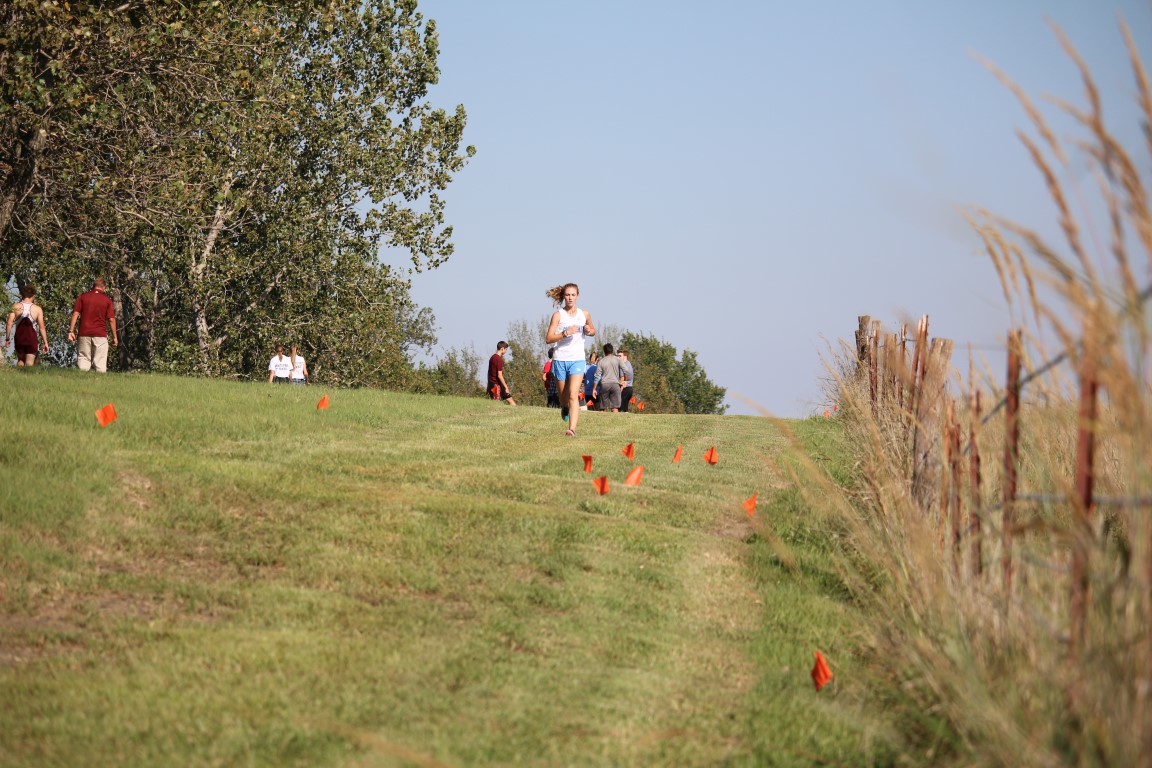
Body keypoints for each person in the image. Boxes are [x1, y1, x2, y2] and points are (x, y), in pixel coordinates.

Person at [544, 282, 595, 436]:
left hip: (577, 359)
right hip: (560, 359)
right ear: (564, 296)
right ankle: (565, 407)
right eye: (567, 295)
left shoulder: (584, 314)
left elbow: (593, 331)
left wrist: (588, 330)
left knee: (574, 395)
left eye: (573, 295)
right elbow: (548, 338)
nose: (570, 298)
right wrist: (565, 333)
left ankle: (571, 429)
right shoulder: (558, 315)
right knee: (564, 398)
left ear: (577, 296)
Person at [67, 277, 118, 372]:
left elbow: (75, 314)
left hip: (84, 333)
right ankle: (100, 380)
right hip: (100, 334)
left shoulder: (83, 296)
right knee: (100, 362)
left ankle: (82, 378)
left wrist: (71, 331)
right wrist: (115, 337)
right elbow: (111, 319)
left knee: (83, 358)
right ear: (104, 287)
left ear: (93, 286)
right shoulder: (107, 300)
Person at [5, 285, 50, 367]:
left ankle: (18, 375)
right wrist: (45, 343)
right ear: (33, 295)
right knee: (29, 363)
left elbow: (9, 323)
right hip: (31, 339)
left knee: (20, 360)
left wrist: (7, 338)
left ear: (23, 294)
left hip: (19, 337)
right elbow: (42, 328)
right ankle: (27, 374)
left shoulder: (15, 307)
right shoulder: (37, 309)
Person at [593, 343, 624, 413]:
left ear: (604, 352)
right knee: (615, 407)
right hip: (615, 384)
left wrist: (594, 389)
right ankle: (615, 419)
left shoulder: (601, 361)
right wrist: (624, 381)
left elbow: (597, 376)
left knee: (602, 407)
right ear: (612, 351)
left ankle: (602, 418)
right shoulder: (617, 360)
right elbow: (626, 370)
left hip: (605, 384)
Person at [487, 340, 516, 405]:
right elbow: (499, 375)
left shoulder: (492, 358)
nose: (506, 351)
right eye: (506, 349)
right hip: (496, 385)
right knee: (496, 404)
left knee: (510, 400)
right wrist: (506, 387)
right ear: (502, 348)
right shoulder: (499, 359)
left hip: (492, 384)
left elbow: (489, 372)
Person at [619, 348, 635, 412]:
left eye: (620, 356)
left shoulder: (623, 365)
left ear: (625, 356)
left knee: (620, 409)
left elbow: (622, 378)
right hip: (630, 388)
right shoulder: (629, 364)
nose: (618, 357)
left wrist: (620, 389)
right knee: (625, 409)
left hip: (625, 388)